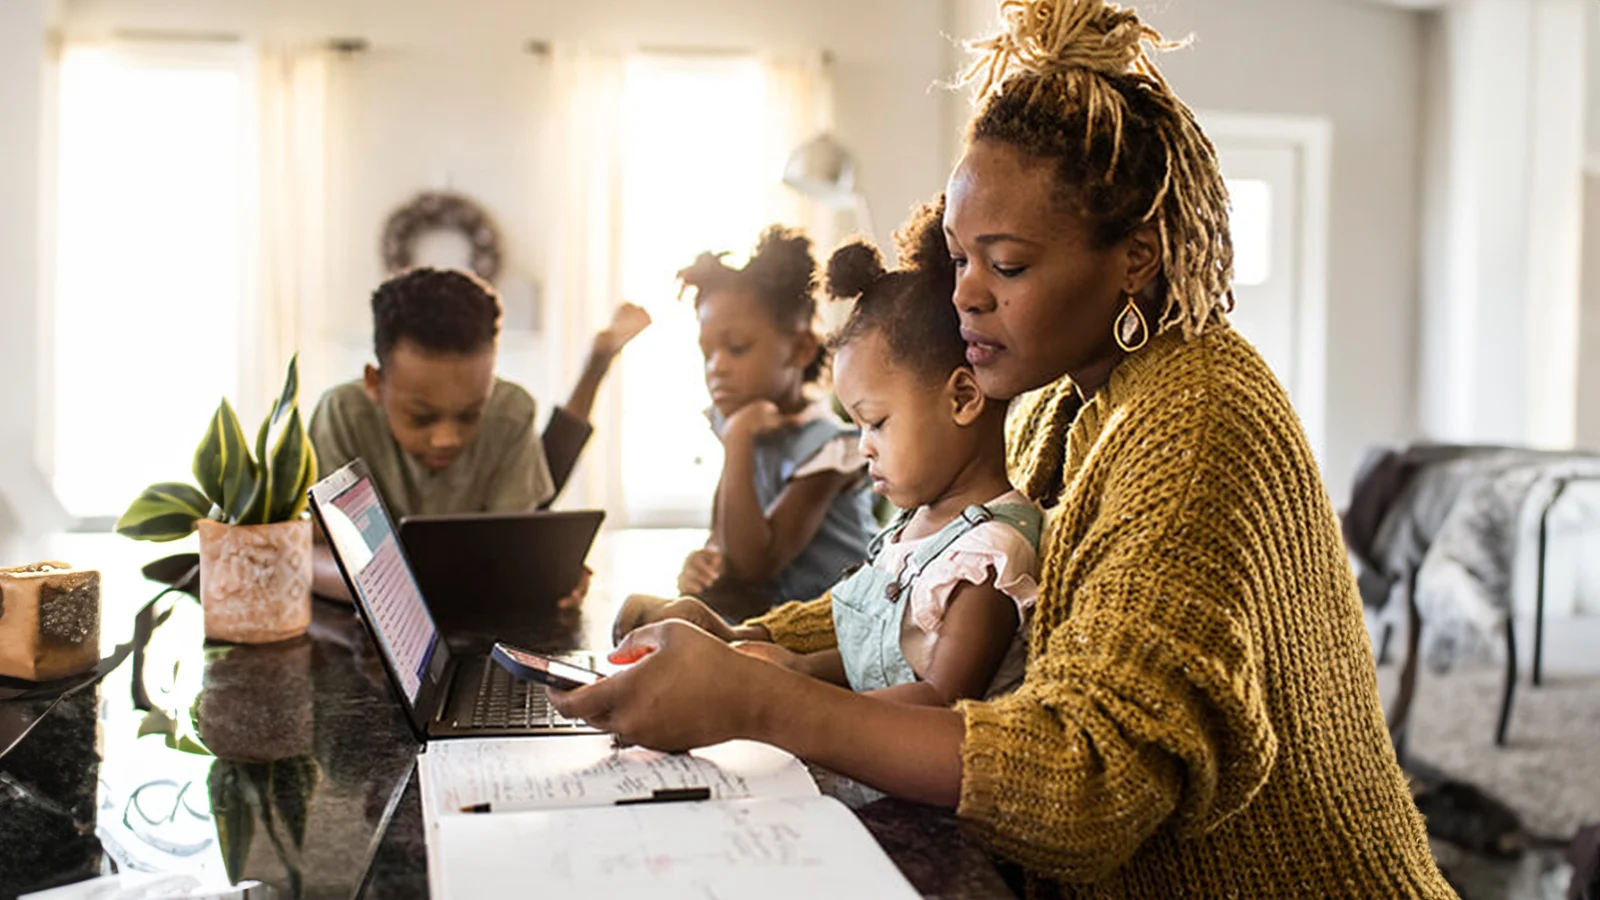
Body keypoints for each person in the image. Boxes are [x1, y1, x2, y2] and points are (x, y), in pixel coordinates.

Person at [553, 1, 1457, 896]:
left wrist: (761, 699)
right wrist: (739, 641)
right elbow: (912, 587)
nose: (965, 298)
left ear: (1135, 258)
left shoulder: (1200, 428)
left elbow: (1089, 778)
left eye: (1009, 265)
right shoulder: (1050, 393)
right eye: (958, 260)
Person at [727, 219, 1044, 706]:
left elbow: (939, 703)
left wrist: (788, 697)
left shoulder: (988, 556)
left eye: (875, 423)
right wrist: (798, 667)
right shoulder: (916, 526)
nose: (863, 446)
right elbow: (877, 656)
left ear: (962, 397)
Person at [308, 266, 649, 602]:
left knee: (543, 488)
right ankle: (597, 362)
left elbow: (516, 543)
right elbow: (309, 553)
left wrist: (548, 570)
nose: (447, 438)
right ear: (374, 383)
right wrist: (384, 589)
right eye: (422, 417)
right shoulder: (341, 413)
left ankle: (596, 364)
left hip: (499, 527)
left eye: (470, 414)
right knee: (549, 475)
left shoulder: (510, 409)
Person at [674, 226, 877, 619]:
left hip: (836, 631)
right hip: (768, 621)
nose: (716, 368)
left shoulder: (832, 447)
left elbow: (755, 562)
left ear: (800, 349)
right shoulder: (740, 425)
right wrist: (704, 563)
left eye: (736, 348)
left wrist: (737, 441)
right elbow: (726, 544)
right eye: (707, 352)